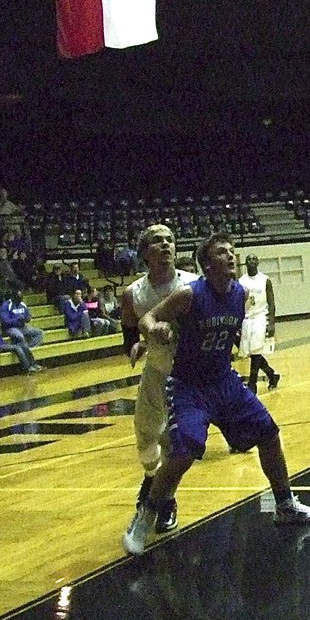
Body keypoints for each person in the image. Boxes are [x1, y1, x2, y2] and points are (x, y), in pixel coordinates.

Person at [123, 233, 310, 556]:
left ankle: (285, 504)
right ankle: (144, 517)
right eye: (222, 252)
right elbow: (148, 317)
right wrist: (151, 332)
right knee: (184, 451)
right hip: (189, 386)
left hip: (224, 381)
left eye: (233, 251)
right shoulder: (188, 295)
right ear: (207, 264)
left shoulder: (240, 294)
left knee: (269, 433)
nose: (231, 256)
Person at [119, 225, 199, 535]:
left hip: (189, 374)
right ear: (144, 254)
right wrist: (137, 345)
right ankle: (152, 479)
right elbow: (128, 336)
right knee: (145, 435)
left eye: (170, 240)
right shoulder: (133, 294)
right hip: (157, 368)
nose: (165, 244)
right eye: (157, 241)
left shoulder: (193, 284)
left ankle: (165, 500)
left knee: (172, 441)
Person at [237, 254, 279, 392]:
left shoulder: (265, 280)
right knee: (250, 352)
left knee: (255, 351)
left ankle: (252, 383)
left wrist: (271, 323)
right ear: (245, 263)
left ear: (258, 262)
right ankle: (271, 374)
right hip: (247, 319)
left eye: (254, 259)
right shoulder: (241, 281)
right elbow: (237, 303)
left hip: (261, 317)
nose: (251, 261)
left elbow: (271, 303)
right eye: (249, 259)